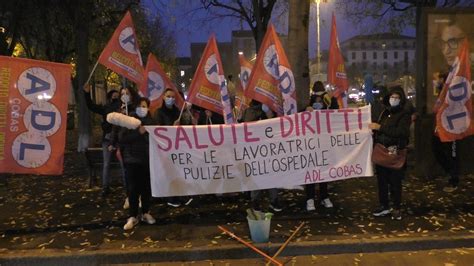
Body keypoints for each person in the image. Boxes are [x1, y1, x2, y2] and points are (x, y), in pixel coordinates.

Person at [432, 21, 467, 192]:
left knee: (452, 152)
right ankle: (450, 174)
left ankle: (453, 179)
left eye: (453, 42)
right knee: (437, 147)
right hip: (443, 120)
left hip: (454, 120)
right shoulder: (445, 79)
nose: (448, 49)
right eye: (444, 43)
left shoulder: (459, 74)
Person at [369, 86, 411, 221]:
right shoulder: (385, 113)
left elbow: (402, 132)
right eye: (392, 97)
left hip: (395, 150)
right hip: (382, 150)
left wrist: (381, 128)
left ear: (401, 99)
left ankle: (396, 207)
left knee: (395, 181)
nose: (394, 99)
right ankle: (384, 206)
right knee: (382, 181)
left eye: (397, 97)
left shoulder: (404, 114)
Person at [118, 97, 156, 230]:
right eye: (139, 106)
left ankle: (146, 212)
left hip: (147, 160)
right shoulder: (129, 122)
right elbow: (122, 139)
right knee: (133, 189)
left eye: (144, 106)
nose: (142, 108)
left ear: (148, 108)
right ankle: (132, 216)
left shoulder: (152, 122)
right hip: (132, 160)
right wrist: (138, 133)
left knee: (146, 189)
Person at [83, 85, 125, 197]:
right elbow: (91, 106)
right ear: (110, 97)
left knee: (122, 164)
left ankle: (126, 188)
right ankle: (105, 187)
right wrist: (87, 93)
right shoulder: (106, 108)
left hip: (119, 139)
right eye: (114, 95)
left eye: (118, 95)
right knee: (107, 164)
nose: (116, 96)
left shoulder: (123, 108)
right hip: (108, 139)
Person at [154, 88, 193, 207]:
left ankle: (180, 196)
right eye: (168, 96)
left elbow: (185, 126)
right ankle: (171, 198)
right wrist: (171, 127)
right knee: (169, 173)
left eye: (173, 97)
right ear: (163, 97)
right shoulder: (159, 112)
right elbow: (158, 130)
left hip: (177, 146)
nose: (171, 99)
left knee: (178, 172)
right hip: (165, 148)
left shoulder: (177, 111)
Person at [242, 100, 283, 213]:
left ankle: (271, 200)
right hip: (256, 149)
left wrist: (269, 113)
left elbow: (274, 124)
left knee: (269, 174)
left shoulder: (268, 108)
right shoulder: (250, 111)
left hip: (266, 149)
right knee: (258, 174)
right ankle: (257, 201)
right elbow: (246, 126)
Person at [303, 82, 337, 211]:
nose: (318, 97)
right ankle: (310, 198)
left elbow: (336, 113)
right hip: (310, 143)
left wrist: (331, 99)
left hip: (324, 142)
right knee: (311, 171)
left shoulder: (328, 101)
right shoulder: (308, 102)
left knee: (323, 171)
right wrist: (306, 109)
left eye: (320, 95)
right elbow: (299, 115)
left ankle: (324, 196)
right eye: (316, 95)